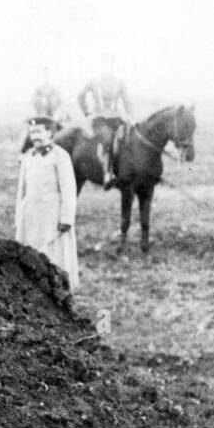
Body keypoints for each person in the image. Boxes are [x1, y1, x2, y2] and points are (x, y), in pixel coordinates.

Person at [16, 118, 79, 292]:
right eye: (32, 132)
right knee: (30, 251)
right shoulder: (28, 157)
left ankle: (57, 289)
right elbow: (21, 190)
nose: (35, 136)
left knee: (53, 255)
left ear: (50, 133)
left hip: (52, 215)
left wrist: (66, 218)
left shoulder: (60, 156)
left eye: (39, 131)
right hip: (31, 215)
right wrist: (19, 217)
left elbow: (68, 189)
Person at [77, 73, 133, 189]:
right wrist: (87, 112)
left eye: (110, 62)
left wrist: (130, 115)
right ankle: (107, 173)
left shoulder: (119, 82)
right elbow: (81, 96)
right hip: (99, 119)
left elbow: (127, 100)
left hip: (116, 118)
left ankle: (127, 170)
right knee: (107, 139)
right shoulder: (94, 81)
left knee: (129, 136)